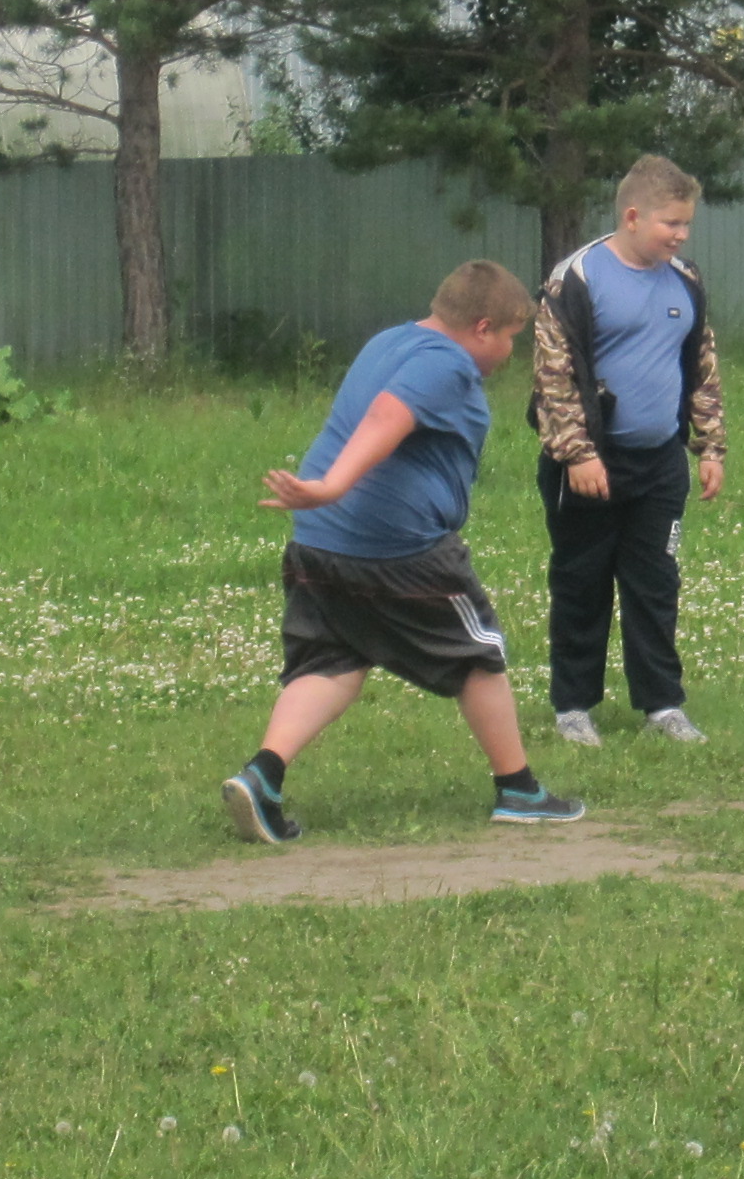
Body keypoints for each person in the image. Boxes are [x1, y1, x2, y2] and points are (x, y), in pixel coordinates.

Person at [221, 260, 586, 844]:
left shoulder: (390, 341)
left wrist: (325, 497)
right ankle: (519, 790)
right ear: (482, 328)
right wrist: (333, 486)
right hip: (394, 545)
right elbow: (386, 416)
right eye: (511, 337)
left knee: (332, 661)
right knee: (477, 654)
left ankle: (262, 778)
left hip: (320, 539)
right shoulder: (446, 363)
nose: (510, 353)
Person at [530, 154, 727, 747]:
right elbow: (553, 377)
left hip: (660, 463)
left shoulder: (685, 279)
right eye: (672, 223)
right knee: (581, 583)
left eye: (687, 224)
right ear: (634, 216)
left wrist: (709, 446)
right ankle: (573, 707)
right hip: (590, 463)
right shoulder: (576, 279)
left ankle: (663, 705)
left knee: (655, 583)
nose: (681, 235)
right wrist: (578, 454)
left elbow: (701, 365)